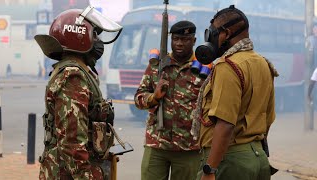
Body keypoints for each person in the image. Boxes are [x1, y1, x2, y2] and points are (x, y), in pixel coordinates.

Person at [35, 6, 123, 180]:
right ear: (79, 37)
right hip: (69, 173)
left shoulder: (78, 71)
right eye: (95, 35)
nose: (98, 41)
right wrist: (86, 176)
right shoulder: (72, 76)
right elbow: (72, 142)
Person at [192, 5, 279, 180]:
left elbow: (225, 124)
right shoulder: (263, 64)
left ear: (226, 33)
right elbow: (267, 118)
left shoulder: (228, 67)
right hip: (258, 158)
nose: (211, 39)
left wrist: (210, 170)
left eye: (213, 33)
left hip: (229, 161)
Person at [134, 20, 205, 180]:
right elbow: (138, 98)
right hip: (157, 144)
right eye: (176, 39)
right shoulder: (158, 65)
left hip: (189, 148)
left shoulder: (202, 68)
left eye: (185, 40)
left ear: (194, 41)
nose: (179, 43)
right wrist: (154, 97)